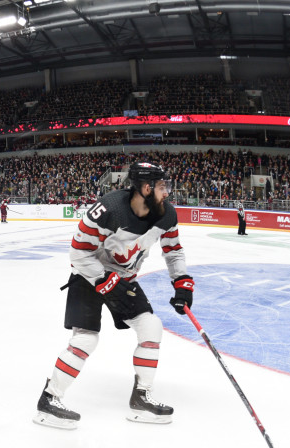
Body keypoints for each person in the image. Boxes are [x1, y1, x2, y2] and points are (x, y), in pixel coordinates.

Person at [34, 162, 194, 429]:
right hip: (89, 276)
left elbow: (173, 250)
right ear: (146, 188)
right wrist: (104, 280)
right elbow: (78, 252)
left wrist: (182, 283)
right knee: (85, 339)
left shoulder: (166, 215)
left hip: (124, 279)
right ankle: (49, 400)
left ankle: (141, 398)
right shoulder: (108, 209)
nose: (167, 193)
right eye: (163, 187)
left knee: (151, 327)